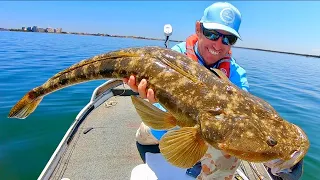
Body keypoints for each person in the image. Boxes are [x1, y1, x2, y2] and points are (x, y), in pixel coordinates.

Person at [124, 2, 303, 179]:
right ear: (198, 29)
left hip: (200, 132)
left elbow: (248, 122)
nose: (218, 45)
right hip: (161, 124)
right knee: (144, 138)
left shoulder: (237, 76)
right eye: (212, 34)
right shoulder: (174, 58)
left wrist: (279, 160)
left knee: (226, 156)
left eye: (228, 39)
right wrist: (155, 100)